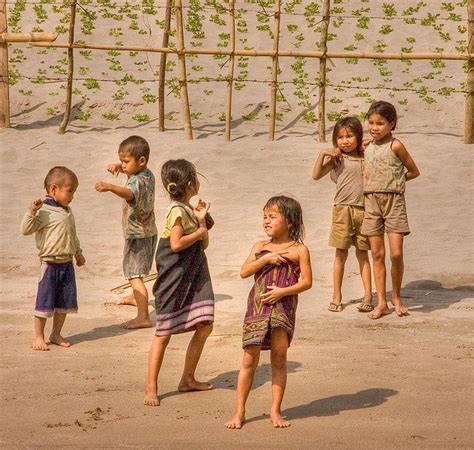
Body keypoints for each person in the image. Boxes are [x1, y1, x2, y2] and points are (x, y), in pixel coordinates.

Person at [225, 196, 312, 429]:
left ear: (290, 222)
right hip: (257, 308)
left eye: (273, 217)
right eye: (264, 216)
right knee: (248, 359)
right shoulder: (259, 246)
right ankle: (239, 411)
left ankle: (275, 411)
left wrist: (283, 292)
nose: (266, 221)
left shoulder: (299, 249)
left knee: (279, 360)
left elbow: (307, 282)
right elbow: (244, 272)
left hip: (283, 309)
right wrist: (265, 259)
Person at [144, 159, 215, 406]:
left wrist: (201, 221)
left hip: (194, 274)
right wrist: (198, 231)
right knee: (163, 333)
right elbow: (175, 244)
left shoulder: (189, 210)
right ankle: (151, 387)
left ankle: (187, 379)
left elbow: (203, 243)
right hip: (174, 278)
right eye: (195, 177)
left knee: (205, 325)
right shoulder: (176, 210)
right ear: (190, 184)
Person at [361, 101, 420, 319]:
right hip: (371, 202)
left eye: (381, 123)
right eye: (371, 122)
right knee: (377, 254)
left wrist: (397, 182)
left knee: (395, 253)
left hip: (394, 202)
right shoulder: (366, 147)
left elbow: (414, 171)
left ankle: (396, 296)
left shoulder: (396, 146)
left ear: (391, 124)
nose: (374, 127)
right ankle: (382, 302)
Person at [95, 135, 157, 329]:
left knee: (133, 274)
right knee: (137, 270)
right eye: (121, 161)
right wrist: (118, 166)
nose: (123, 165)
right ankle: (134, 297)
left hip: (137, 235)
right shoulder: (148, 174)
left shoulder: (134, 183)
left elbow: (130, 193)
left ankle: (143, 317)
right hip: (149, 231)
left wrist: (110, 187)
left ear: (141, 161)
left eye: (125, 161)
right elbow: (133, 173)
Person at [312, 116, 373, 313]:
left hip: (364, 210)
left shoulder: (367, 156)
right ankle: (336, 296)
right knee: (341, 254)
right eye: (340, 137)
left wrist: (367, 145)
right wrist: (323, 154)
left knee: (363, 254)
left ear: (358, 137)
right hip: (342, 210)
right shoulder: (337, 159)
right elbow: (316, 175)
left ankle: (368, 296)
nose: (344, 141)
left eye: (349, 136)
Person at [21, 166, 86, 351]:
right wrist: (32, 211)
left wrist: (78, 252)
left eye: (74, 191)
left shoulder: (67, 210)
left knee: (64, 303)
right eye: (69, 190)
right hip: (49, 264)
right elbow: (26, 229)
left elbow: (72, 234)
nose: (72, 195)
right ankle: (39, 336)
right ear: (53, 189)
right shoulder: (44, 210)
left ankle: (56, 333)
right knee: (44, 301)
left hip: (67, 263)